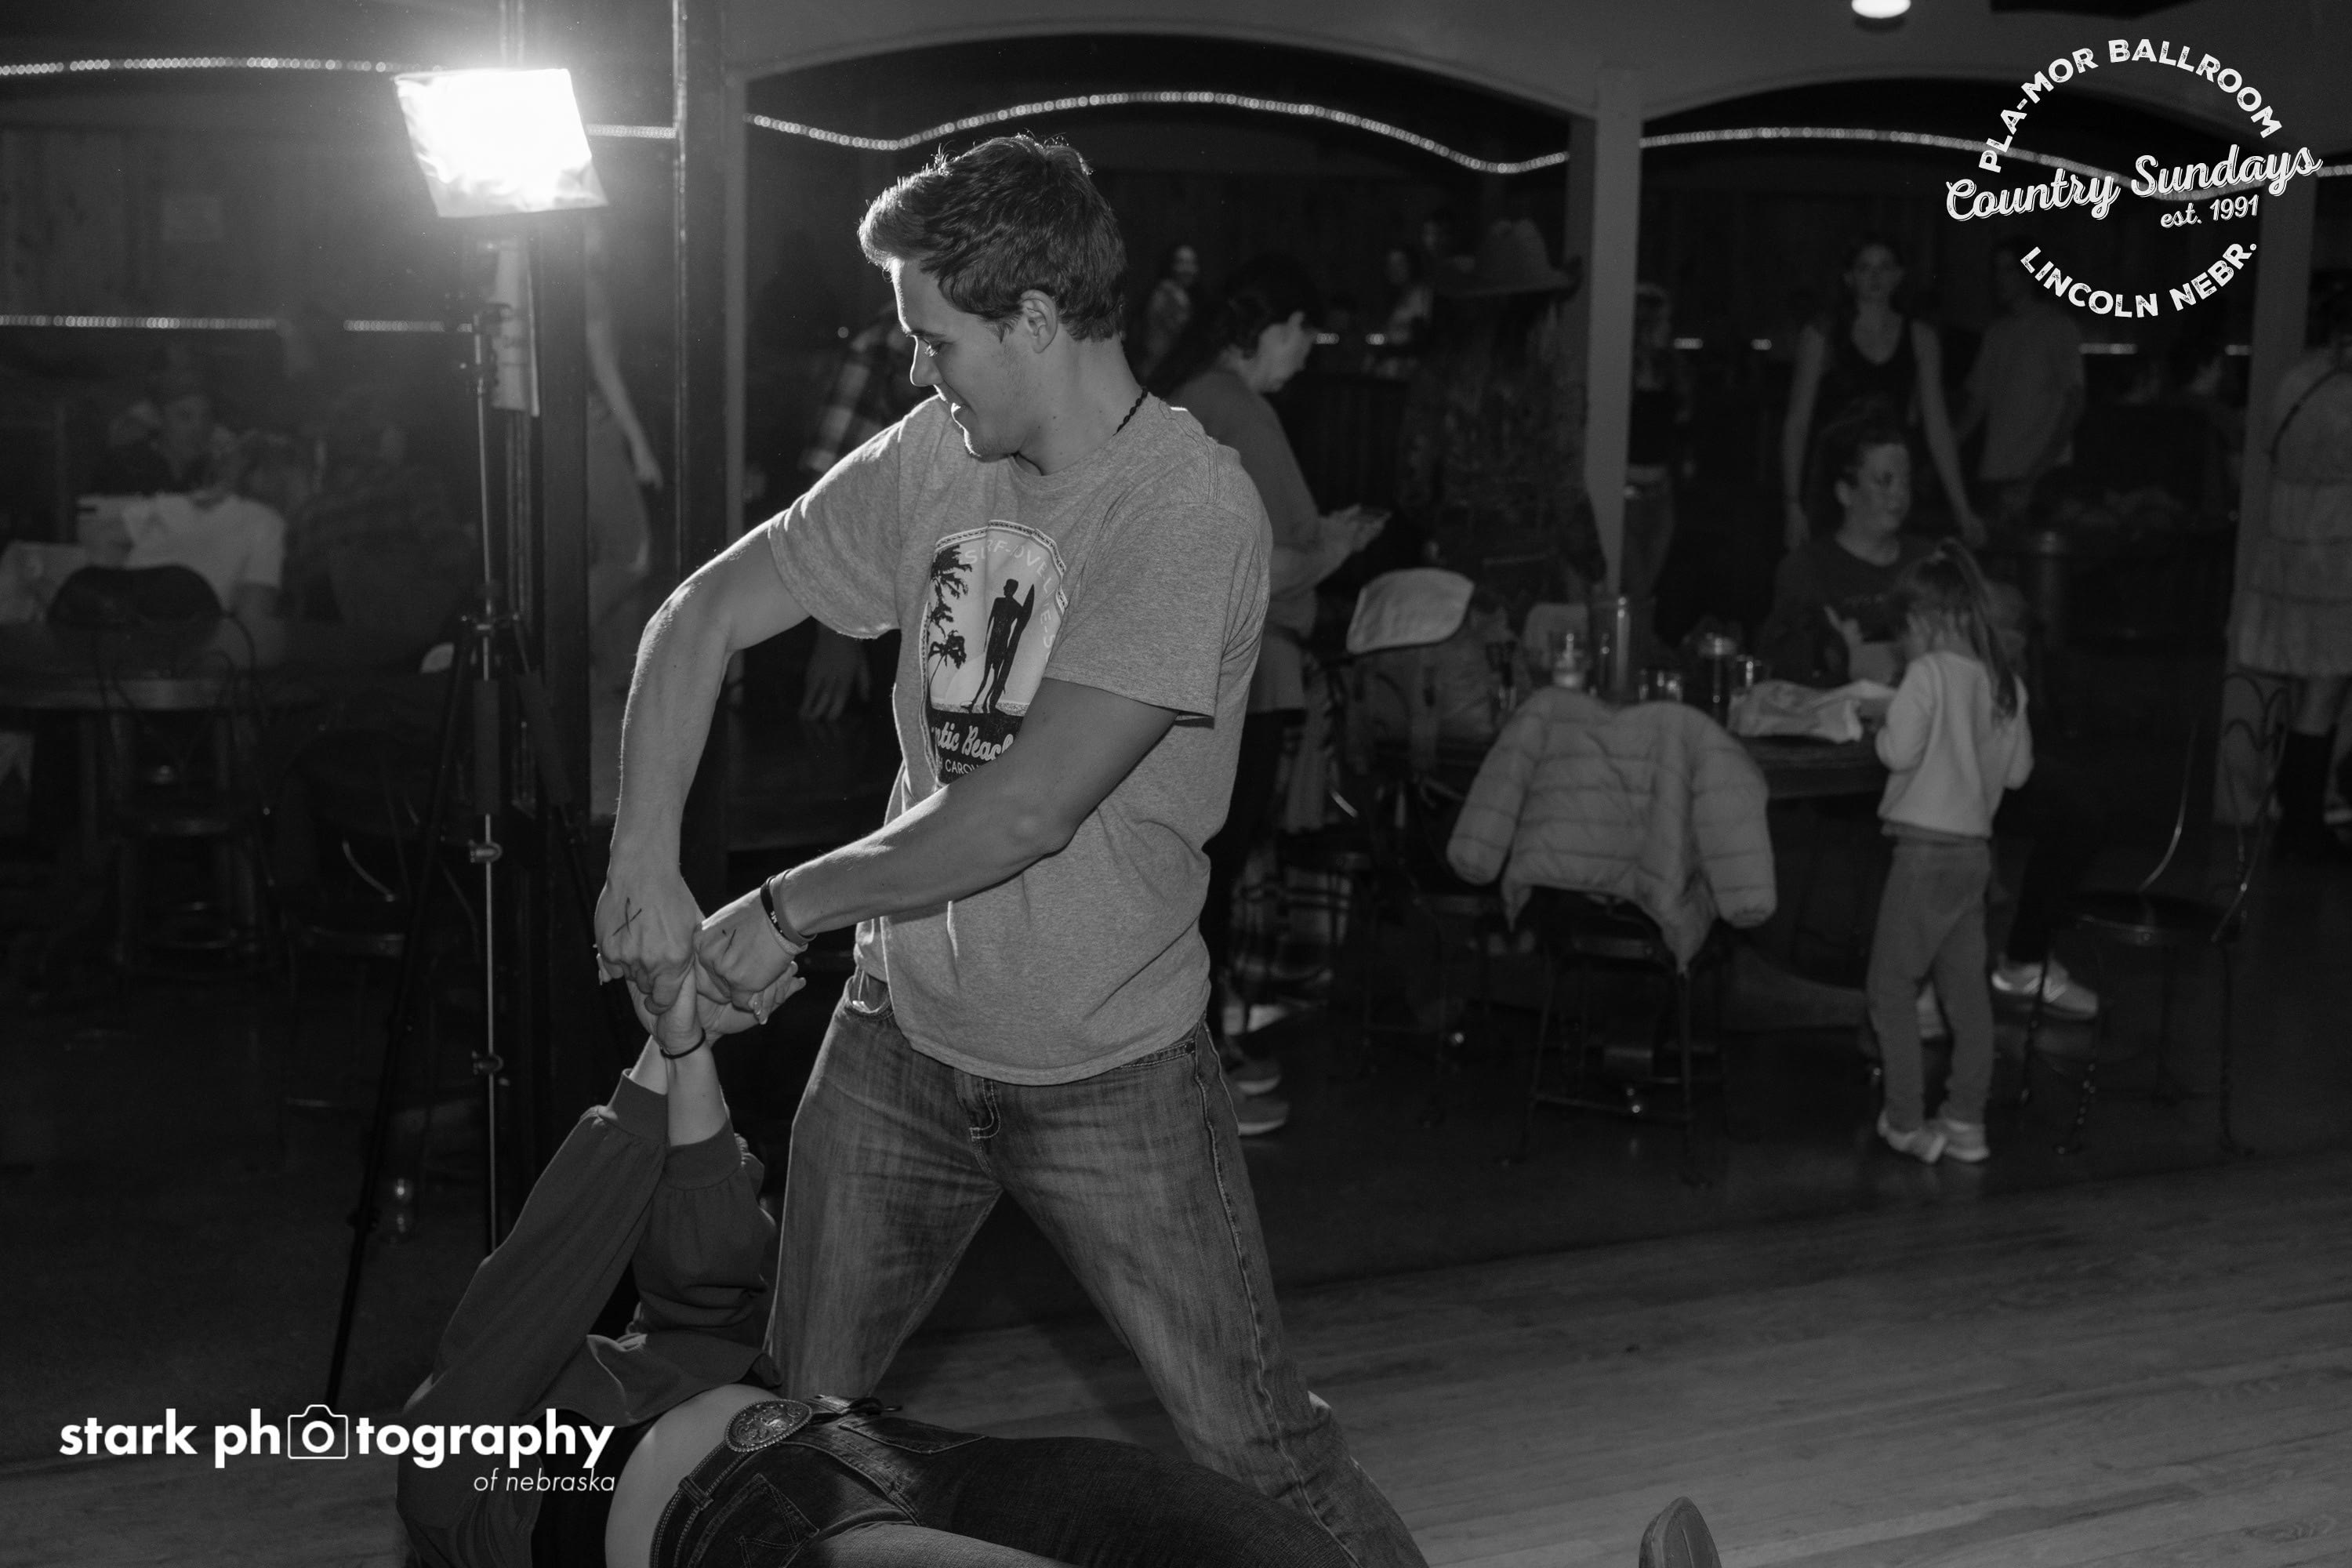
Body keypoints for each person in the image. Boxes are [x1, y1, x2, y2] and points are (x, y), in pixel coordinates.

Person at [593, 135, 1425, 1568]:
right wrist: (641, 860)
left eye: (937, 341)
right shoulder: (934, 457)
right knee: (788, 1428)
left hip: (1112, 1068)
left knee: (1262, 1456)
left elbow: (1025, 810)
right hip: (902, 1042)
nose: (921, 373)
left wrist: (783, 908)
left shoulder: (1186, 508)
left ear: (1037, 319)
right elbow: (700, 613)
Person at [1152, 253, 1387, 1128]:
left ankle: (1202, 1049)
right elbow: (1262, 563)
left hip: (1211, 666)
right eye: (1304, 337)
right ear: (1274, 328)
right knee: (1209, 873)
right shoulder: (1237, 406)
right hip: (1242, 675)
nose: (1305, 356)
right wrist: (1338, 548)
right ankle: (1199, 1061)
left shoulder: (1196, 396)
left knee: (1203, 871)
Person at [1759, 422, 2102, 1024]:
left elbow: (1998, 640)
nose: (1899, 495)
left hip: (1954, 761)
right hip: (1860, 765)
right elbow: (1785, 670)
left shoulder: (1931, 563)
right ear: (1844, 491)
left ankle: (2024, 961)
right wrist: (1844, 662)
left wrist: (1892, 656)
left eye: (1904, 481)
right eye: (1882, 480)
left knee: (2078, 805)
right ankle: (1905, 990)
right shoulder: (1810, 568)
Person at [1864, 543, 2034, 1165]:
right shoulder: (2004, 682)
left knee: (1891, 988)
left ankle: (1906, 1120)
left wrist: (1882, 722)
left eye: (1903, 635)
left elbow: (1897, 752)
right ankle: (1966, 1120)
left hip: (1922, 855)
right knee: (1966, 996)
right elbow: (2017, 774)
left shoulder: (1928, 674)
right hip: (1973, 860)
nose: (1902, 648)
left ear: (1926, 621)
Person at [1397, 218, 1600, 628]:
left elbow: (1411, 481)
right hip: (1533, 560)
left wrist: (1443, 526)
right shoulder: (1556, 374)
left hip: (1458, 555)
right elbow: (1566, 484)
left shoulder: (1440, 370)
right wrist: (1592, 564)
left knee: (1461, 665)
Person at [2233, 278, 2352, 860]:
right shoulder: (2346, 394)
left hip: (2291, 551)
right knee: (2322, 698)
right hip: (2337, 557)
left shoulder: (2296, 380)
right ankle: (2304, 824)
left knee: (2307, 690)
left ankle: (2294, 812)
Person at [1780, 236, 1982, 553]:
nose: (1875, 277)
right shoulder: (1822, 334)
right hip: (1837, 481)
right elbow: (1797, 423)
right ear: (1849, 277)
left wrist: (1962, 507)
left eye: (1884, 267)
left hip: (1892, 479)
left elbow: (1938, 428)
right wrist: (1792, 502)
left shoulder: (1921, 336)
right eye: (1865, 268)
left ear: (1898, 276)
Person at [797, 307, 934, 721]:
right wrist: (837, 631)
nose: (923, 373)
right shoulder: (882, 347)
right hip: (893, 609)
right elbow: (829, 505)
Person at [1955, 238, 2084, 532]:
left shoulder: (2058, 328)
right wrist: (1943, 453)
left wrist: (2035, 476)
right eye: (1996, 270)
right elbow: (1976, 405)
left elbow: (2074, 403)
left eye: (2009, 270)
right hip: (1996, 472)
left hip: (2041, 476)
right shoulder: (1997, 333)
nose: (2000, 279)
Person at [1625, 283, 1694, 605]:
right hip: (1626, 497)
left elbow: (1682, 426)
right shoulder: (1623, 373)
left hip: (1661, 496)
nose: (1668, 328)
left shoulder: (1672, 371)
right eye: (1663, 320)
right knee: (1636, 589)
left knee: (1646, 593)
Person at [93, 364, 238, 496]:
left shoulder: (215, 471)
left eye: (206, 416)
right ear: (159, 418)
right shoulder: (123, 467)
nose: (199, 428)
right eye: (185, 416)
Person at [1130, 241, 1200, 382]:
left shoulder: (1181, 295)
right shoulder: (1168, 295)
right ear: (1170, 265)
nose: (1188, 269)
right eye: (1181, 262)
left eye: (1192, 263)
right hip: (1159, 372)